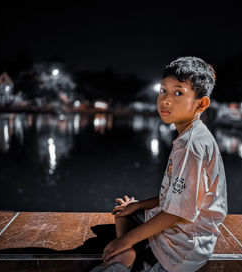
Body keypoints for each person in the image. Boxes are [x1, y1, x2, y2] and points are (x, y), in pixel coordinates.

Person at [90, 56, 228, 272]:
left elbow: (177, 212)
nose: (165, 99)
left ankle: (122, 259)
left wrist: (124, 241)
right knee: (124, 211)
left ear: (201, 103)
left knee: (119, 250)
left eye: (178, 93)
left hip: (182, 247)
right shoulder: (192, 135)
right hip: (184, 229)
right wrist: (140, 205)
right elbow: (180, 196)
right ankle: (129, 254)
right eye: (163, 90)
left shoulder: (190, 146)